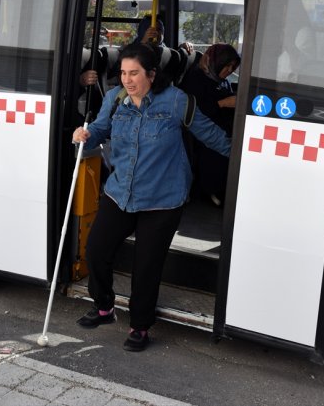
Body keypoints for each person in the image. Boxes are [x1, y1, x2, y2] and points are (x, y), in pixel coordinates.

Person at [71, 43, 231, 352]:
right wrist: (85, 133)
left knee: (146, 267)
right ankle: (104, 307)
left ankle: (139, 326)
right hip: (120, 193)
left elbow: (211, 134)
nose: (127, 80)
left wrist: (245, 156)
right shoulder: (116, 98)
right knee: (96, 251)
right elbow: (101, 127)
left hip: (163, 199)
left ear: (152, 74)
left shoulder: (175, 102)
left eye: (134, 74)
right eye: (123, 73)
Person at [179, 43, 241, 205]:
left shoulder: (221, 80)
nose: (230, 71)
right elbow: (194, 111)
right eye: (226, 66)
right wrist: (224, 103)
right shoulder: (196, 79)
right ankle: (212, 193)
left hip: (223, 125)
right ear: (216, 62)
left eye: (233, 67)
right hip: (203, 132)